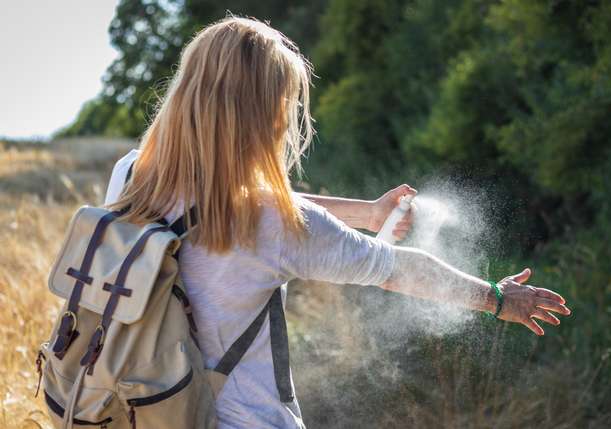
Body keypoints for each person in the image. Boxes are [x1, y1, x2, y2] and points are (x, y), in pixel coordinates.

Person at [104, 15, 571, 429]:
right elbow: (398, 270)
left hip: (142, 414)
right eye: (284, 100)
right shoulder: (272, 224)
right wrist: (495, 297)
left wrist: (368, 213)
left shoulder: (131, 175)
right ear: (262, 112)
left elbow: (234, 198)